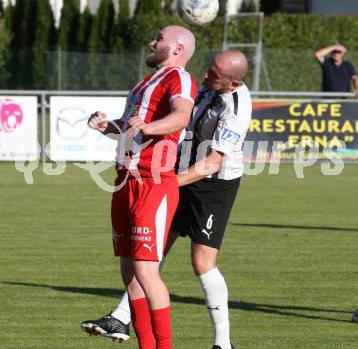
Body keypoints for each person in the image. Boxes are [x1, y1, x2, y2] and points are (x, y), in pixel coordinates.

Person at [82, 50, 252, 349]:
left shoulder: (237, 105)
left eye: (214, 76)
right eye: (208, 69)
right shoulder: (202, 85)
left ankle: (223, 343)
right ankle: (121, 316)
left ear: (234, 84)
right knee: (148, 249)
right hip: (177, 170)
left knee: (202, 262)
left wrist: (167, 182)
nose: (206, 77)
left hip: (213, 183)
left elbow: (214, 162)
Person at [83, 25, 197, 349]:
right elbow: (130, 128)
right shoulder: (143, 84)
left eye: (158, 38)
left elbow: (180, 117)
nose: (151, 41)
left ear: (177, 47)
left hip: (154, 182)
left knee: (147, 272)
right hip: (124, 183)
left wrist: (148, 126)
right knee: (129, 273)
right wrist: (109, 126)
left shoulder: (180, 78)